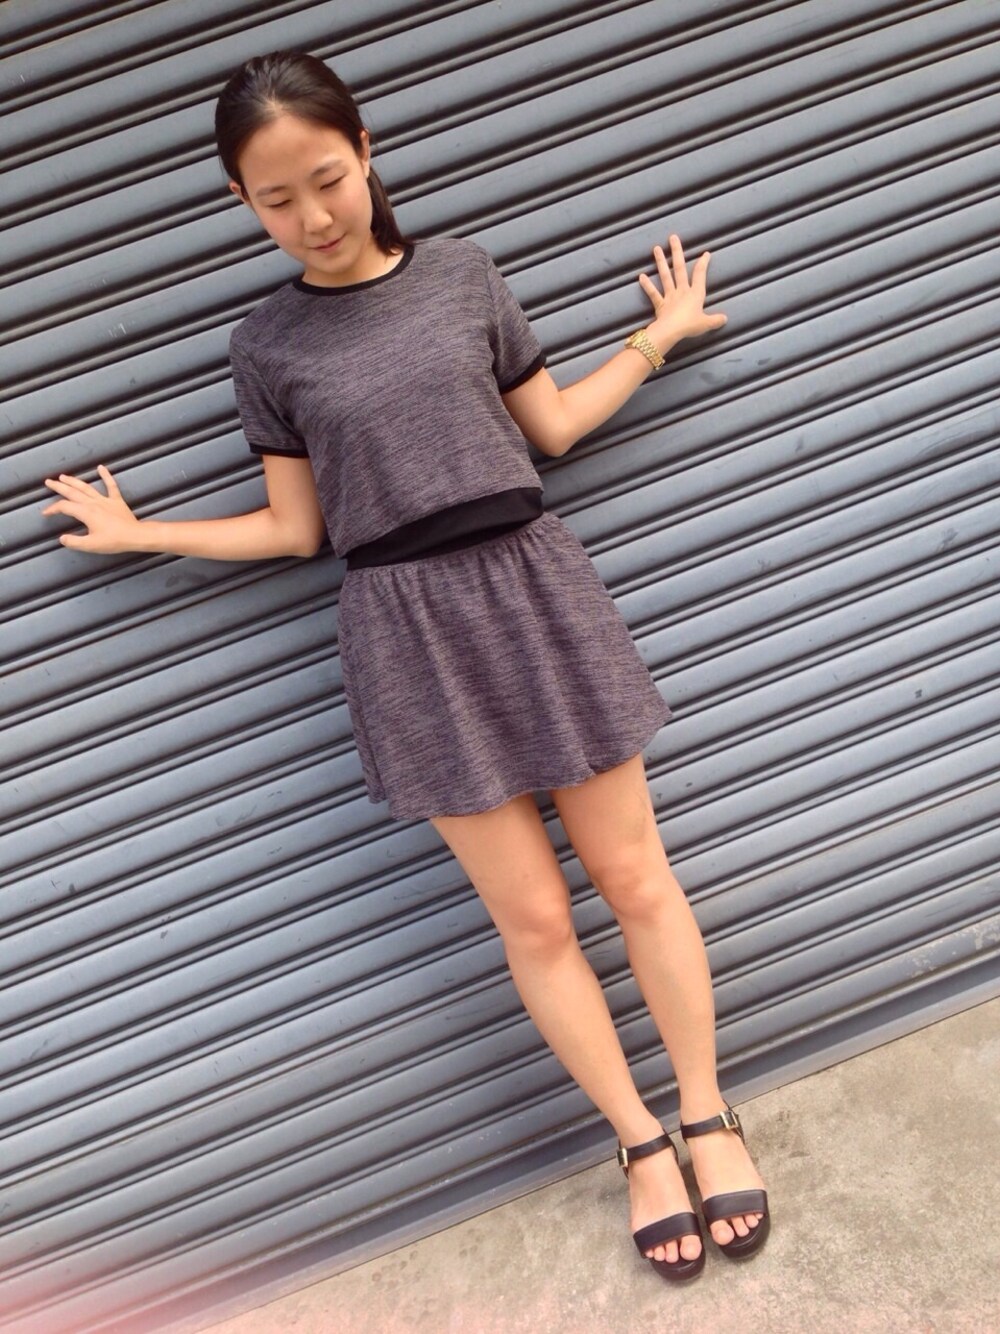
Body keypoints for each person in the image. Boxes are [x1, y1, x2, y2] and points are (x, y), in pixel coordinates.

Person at [41, 50, 769, 1283]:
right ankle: (639, 1141)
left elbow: (547, 427)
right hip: (404, 628)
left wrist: (654, 340)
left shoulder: (464, 275)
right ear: (240, 201)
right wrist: (146, 531)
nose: (313, 216)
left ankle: (705, 1111)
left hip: (532, 590)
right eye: (276, 199)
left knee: (635, 878)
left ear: (366, 149)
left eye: (326, 179)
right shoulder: (266, 345)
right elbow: (297, 529)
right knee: (533, 918)